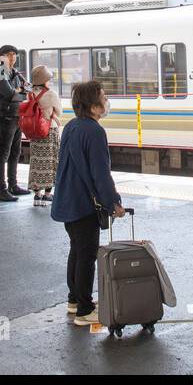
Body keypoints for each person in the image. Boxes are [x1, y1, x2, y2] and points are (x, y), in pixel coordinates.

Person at [51, 80, 124, 326]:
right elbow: (100, 173)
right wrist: (113, 202)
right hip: (83, 203)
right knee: (86, 256)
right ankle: (84, 310)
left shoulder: (72, 126)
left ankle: (74, 300)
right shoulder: (94, 131)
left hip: (68, 200)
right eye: (103, 97)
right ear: (93, 106)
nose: (106, 101)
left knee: (77, 251)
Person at [0, 44, 29, 202]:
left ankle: (13, 185)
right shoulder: (0, 74)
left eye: (14, 54)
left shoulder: (15, 73)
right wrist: (19, 92)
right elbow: (9, 94)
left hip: (17, 116)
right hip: (6, 117)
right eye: (8, 54)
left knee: (16, 152)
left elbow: (27, 90)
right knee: (3, 154)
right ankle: (2, 189)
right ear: (1, 57)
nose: (12, 57)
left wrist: (19, 92)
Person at [26, 64, 63, 207]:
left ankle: (37, 195)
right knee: (50, 162)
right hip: (49, 131)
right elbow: (59, 112)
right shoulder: (51, 94)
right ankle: (47, 195)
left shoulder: (30, 94)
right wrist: (52, 114)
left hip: (35, 132)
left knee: (36, 162)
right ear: (45, 79)